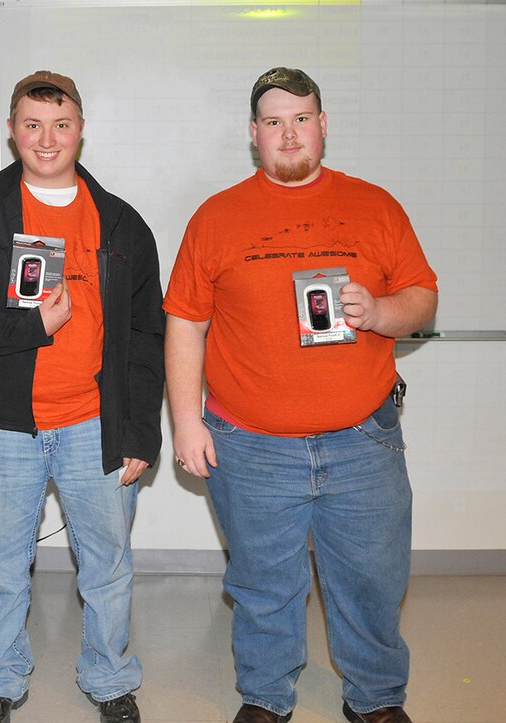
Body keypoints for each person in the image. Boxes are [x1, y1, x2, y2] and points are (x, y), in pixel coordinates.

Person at [164, 67, 438, 723]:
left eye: (302, 117)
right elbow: (185, 324)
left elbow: (421, 300)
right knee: (262, 583)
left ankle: (375, 696)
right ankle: (265, 694)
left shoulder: (376, 206)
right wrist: (185, 423)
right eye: (274, 121)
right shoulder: (217, 216)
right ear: (254, 134)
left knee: (372, 579)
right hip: (249, 444)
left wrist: (377, 310)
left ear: (322, 124)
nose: (289, 133)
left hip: (362, 442)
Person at [0, 70, 164, 723]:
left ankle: (111, 677)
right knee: (1, 562)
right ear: (13, 131)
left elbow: (148, 337)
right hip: (5, 427)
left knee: (108, 564)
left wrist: (142, 433)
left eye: (60, 125)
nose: (46, 138)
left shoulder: (120, 223)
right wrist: (34, 326)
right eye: (32, 125)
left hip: (98, 423)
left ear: (80, 130)